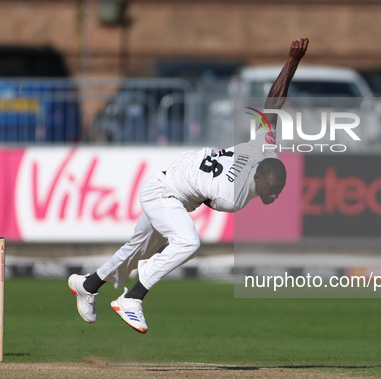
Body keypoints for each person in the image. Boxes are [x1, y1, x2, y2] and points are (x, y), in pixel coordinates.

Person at [68, 38, 309, 333]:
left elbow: (273, 104)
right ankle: (132, 297)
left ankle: (87, 285)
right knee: (188, 242)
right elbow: (206, 200)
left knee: (136, 250)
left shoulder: (264, 145)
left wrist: (292, 61)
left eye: (278, 191)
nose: (273, 196)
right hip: (164, 192)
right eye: (270, 189)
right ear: (258, 176)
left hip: (173, 186)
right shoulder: (232, 198)